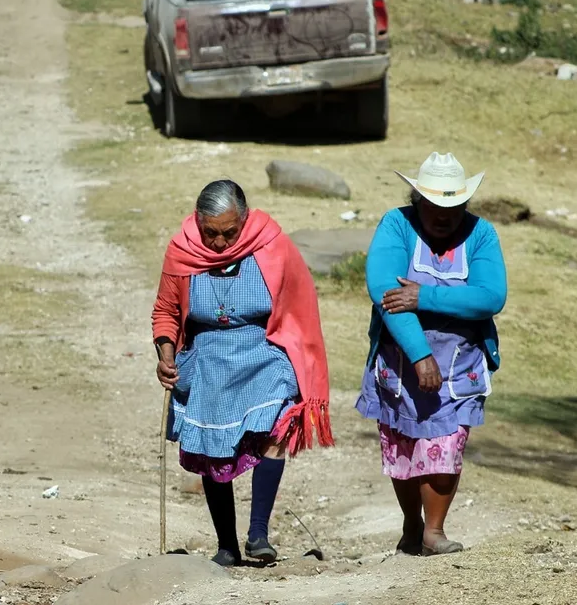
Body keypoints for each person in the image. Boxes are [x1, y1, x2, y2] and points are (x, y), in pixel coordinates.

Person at [152, 180, 333, 566]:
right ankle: (227, 546)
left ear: (245, 220)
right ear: (198, 223)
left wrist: (301, 362)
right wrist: (166, 353)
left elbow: (300, 306)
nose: (218, 243)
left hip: (263, 353)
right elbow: (166, 311)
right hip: (207, 359)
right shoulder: (182, 251)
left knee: (274, 430)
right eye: (211, 233)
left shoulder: (273, 246)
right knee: (209, 450)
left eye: (229, 233)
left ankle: (258, 535)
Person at [356, 152, 506, 556]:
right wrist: (421, 353)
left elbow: (490, 297)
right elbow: (385, 292)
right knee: (404, 445)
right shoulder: (397, 225)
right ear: (417, 198)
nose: (444, 215)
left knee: (447, 445)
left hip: (460, 365)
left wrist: (423, 296)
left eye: (454, 207)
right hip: (401, 361)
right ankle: (411, 521)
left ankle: (434, 530)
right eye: (435, 206)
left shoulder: (481, 234)